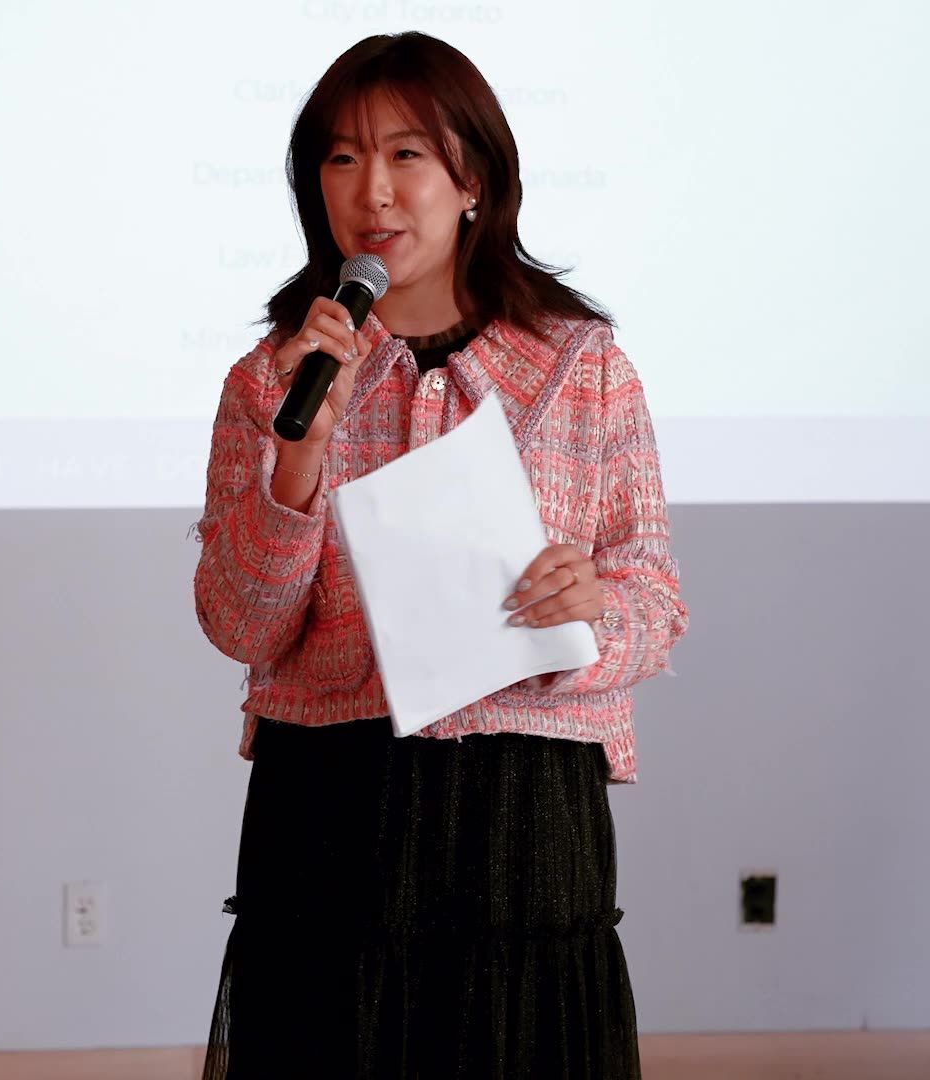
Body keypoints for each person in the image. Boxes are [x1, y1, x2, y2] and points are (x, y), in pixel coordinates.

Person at [191, 31, 687, 1080]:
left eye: (406, 154)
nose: (372, 191)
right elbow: (242, 625)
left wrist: (591, 608)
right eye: (340, 157)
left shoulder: (580, 368)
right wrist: (295, 470)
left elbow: (655, 602)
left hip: (517, 811)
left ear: (475, 179)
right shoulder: (271, 381)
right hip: (330, 800)